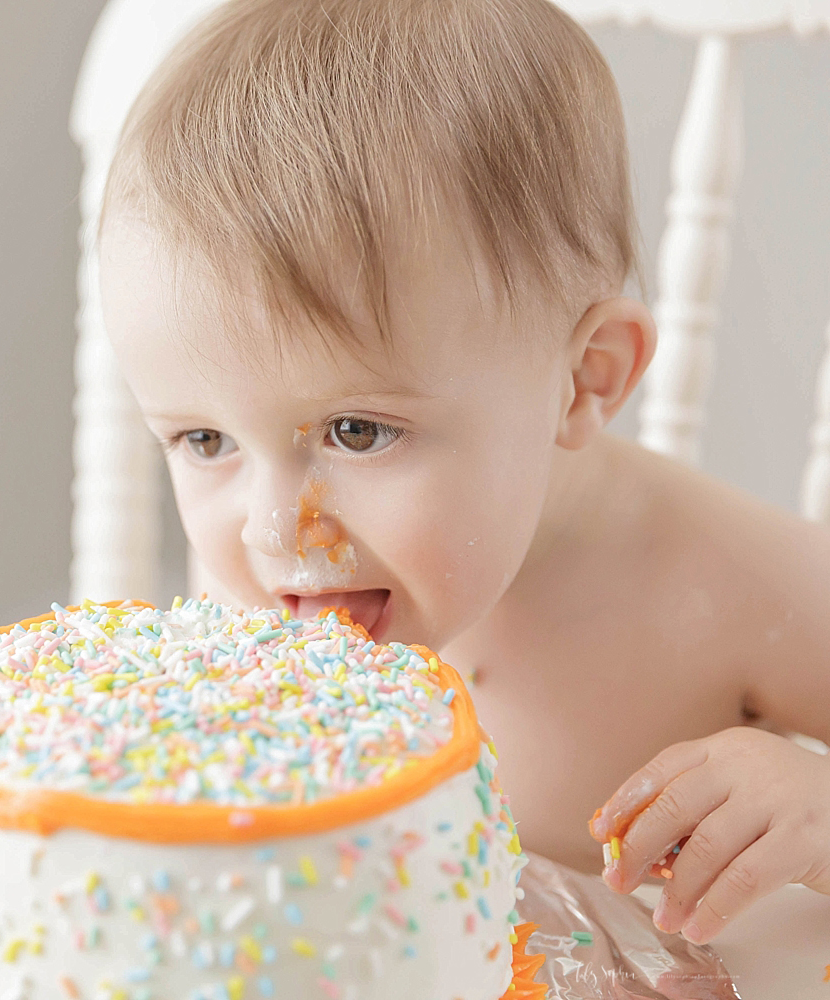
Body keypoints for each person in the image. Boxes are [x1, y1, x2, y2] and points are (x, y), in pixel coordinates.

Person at [95, 0, 830, 947]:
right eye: (205, 442)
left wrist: (813, 810)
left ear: (582, 379)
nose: (273, 532)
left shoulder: (716, 584)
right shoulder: (266, 585)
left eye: (357, 431)